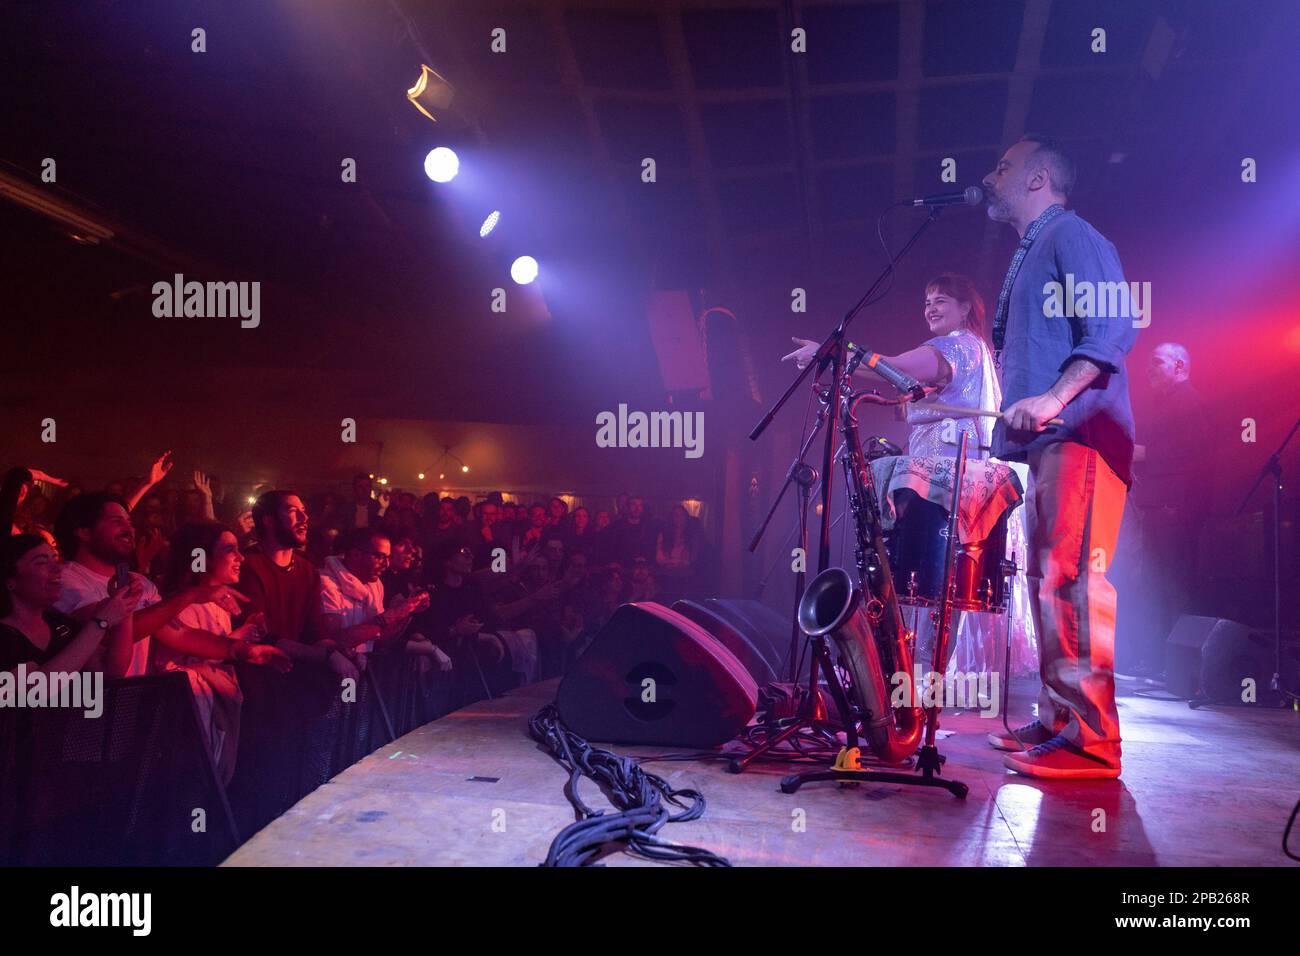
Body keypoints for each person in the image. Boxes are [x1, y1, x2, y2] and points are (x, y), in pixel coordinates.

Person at [978, 134, 1138, 779]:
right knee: (1048, 580)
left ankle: (1091, 743)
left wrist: (1050, 397)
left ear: (1040, 177)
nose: (991, 177)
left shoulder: (1073, 235)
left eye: (1003, 166)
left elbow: (1111, 328)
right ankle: (1057, 718)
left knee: (1072, 580)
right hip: (1052, 441)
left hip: (1081, 434)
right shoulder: (1033, 247)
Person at [52, 493, 251, 678]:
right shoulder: (64, 580)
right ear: (84, 532)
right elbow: (105, 632)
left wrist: (240, 649)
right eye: (117, 521)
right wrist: (191, 595)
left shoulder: (141, 583)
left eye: (129, 522)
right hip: (87, 704)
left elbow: (179, 634)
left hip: (131, 702)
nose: (129, 529)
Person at [160, 522, 292, 783]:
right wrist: (240, 645)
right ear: (200, 557)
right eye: (230, 550)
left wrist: (244, 635)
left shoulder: (221, 602)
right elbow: (186, 657)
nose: (240, 557)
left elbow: (210, 650)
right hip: (182, 724)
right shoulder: (181, 603)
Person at [1123, 342, 1207, 675]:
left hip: (1174, 509)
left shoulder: (1189, 402)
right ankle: (1158, 661)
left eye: (1157, 363)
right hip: (1158, 507)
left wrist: (1140, 454)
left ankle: (1179, 666)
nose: (1150, 370)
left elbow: (1192, 455)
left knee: (1172, 585)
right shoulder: (1164, 404)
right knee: (1154, 585)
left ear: (1180, 366)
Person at [236, 490, 361, 682]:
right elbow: (258, 634)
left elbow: (315, 630)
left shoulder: (307, 570)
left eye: (304, 510)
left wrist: (340, 652)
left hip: (294, 675)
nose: (304, 518)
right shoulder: (247, 565)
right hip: (257, 677)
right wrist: (326, 656)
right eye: (293, 511)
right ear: (269, 520)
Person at [0, 533, 138, 679]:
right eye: (41, 563)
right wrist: (101, 622)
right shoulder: (4, 636)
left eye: (56, 560)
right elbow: (38, 690)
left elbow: (110, 670)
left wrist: (126, 604)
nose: (58, 569)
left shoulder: (61, 625)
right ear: (10, 580)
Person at [318, 527, 447, 672]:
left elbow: (380, 640)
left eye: (388, 557)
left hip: (362, 669)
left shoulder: (375, 583)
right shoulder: (327, 583)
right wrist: (395, 613)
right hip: (331, 673)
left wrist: (407, 612)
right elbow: (335, 640)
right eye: (379, 556)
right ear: (356, 555)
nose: (386, 564)